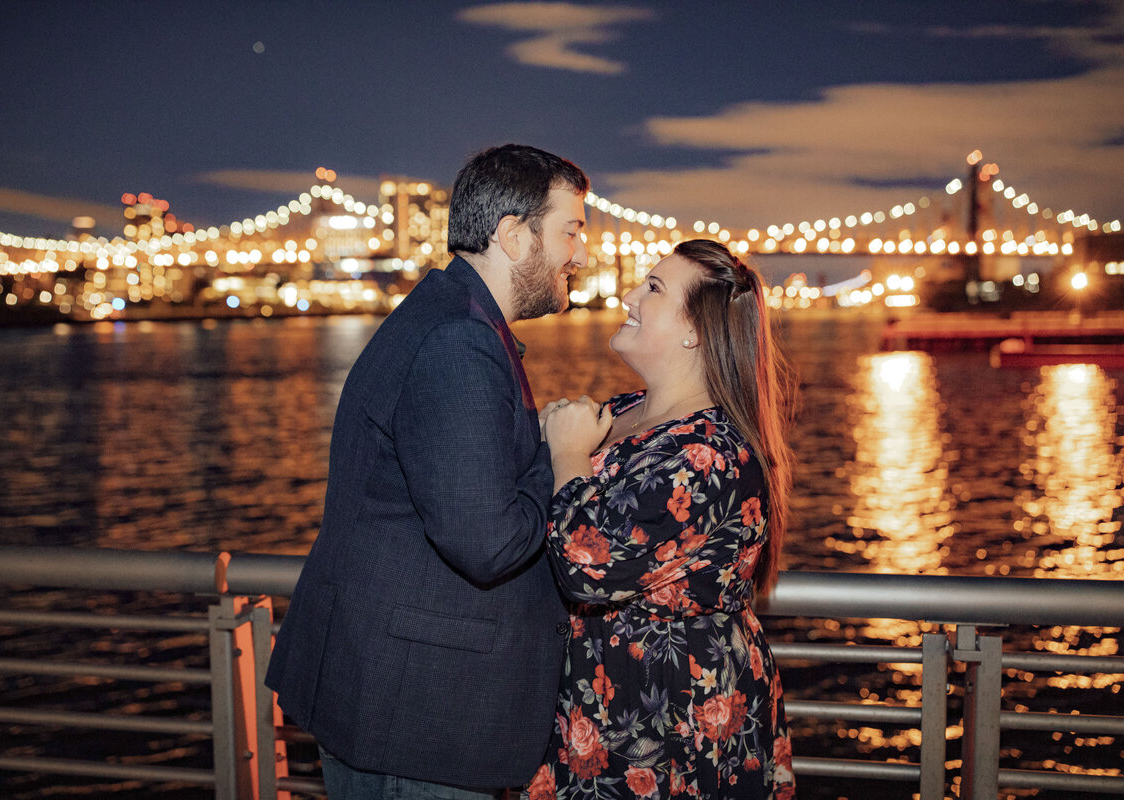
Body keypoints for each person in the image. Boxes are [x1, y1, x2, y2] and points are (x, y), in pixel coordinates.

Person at [265, 144, 589, 798]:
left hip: (397, 702)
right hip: (412, 720)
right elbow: (486, 543)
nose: (581, 253)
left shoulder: (450, 317)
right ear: (513, 235)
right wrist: (559, 455)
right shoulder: (458, 342)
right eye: (571, 230)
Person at [528, 239, 796, 799]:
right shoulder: (625, 411)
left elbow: (587, 565)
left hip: (668, 715)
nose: (628, 294)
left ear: (694, 330)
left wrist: (568, 454)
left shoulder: (712, 454)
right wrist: (554, 443)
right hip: (595, 698)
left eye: (652, 288)